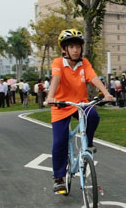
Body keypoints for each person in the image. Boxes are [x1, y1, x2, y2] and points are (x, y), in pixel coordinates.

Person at [46, 28, 114, 193]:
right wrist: (51, 96)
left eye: (78, 46)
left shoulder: (84, 63)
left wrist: (106, 93)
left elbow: (93, 78)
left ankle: (88, 144)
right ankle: (59, 178)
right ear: (64, 49)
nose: (76, 50)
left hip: (81, 104)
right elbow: (56, 78)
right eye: (71, 47)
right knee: (59, 142)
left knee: (94, 116)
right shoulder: (57, 63)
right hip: (61, 105)